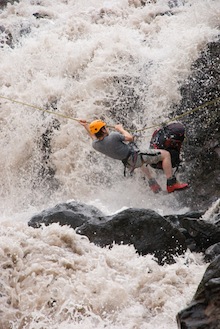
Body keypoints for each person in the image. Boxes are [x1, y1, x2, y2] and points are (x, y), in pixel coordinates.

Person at [79, 119, 188, 193]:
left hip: (128, 163)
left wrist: (85, 126)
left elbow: (93, 136)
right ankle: (171, 183)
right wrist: (120, 129)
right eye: (105, 127)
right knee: (166, 155)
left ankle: (152, 183)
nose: (107, 128)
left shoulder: (96, 145)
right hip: (135, 157)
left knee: (140, 161)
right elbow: (130, 138)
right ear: (103, 129)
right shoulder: (113, 136)